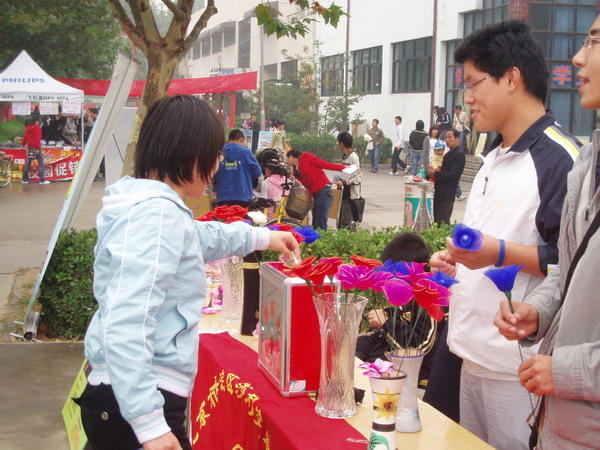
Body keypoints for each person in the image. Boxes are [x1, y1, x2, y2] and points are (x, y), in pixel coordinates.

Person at [76, 95, 299, 450]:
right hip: (139, 399)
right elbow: (126, 321)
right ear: (191, 153)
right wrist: (150, 425)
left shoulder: (151, 208)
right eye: (215, 154)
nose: (217, 164)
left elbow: (199, 237)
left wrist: (263, 237)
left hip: (129, 395)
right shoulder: (155, 214)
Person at [429, 21, 581, 450]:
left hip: (518, 369)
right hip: (468, 353)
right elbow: (491, 241)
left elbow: (574, 266)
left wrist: (497, 253)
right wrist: (456, 259)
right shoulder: (493, 158)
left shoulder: (561, 160)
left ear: (512, 78)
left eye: (473, 83)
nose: (467, 98)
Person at [493, 16, 600, 449]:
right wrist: (540, 309)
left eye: (594, 41)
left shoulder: (558, 157)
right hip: (561, 423)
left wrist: (568, 370)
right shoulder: (589, 161)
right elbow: (570, 269)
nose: (577, 58)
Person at [356, 232, 436, 383]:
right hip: (390, 342)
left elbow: (422, 346)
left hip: (411, 359)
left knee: (374, 365)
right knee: (353, 347)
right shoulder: (406, 290)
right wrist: (386, 315)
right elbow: (402, 317)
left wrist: (387, 323)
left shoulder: (429, 297)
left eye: (394, 272)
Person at [286, 149, 346, 231]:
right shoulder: (295, 171)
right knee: (315, 222)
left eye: (287, 158)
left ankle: (322, 238)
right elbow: (307, 186)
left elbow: (324, 164)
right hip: (315, 194)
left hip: (324, 191)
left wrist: (343, 168)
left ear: (291, 156)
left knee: (320, 221)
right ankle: (316, 238)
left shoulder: (306, 157)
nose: (286, 161)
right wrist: (310, 199)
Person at [214, 129, 262, 207]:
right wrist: (247, 178)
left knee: (225, 215)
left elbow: (213, 173)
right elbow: (257, 172)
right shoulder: (246, 153)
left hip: (223, 196)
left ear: (229, 139)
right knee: (240, 215)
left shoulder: (219, 153)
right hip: (243, 196)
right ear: (241, 140)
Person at [428, 129, 464, 225]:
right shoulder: (447, 154)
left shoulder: (459, 154)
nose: (447, 140)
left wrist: (435, 174)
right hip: (438, 193)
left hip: (447, 195)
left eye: (449, 137)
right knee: (436, 222)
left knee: (443, 223)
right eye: (446, 138)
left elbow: (452, 174)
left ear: (457, 138)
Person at [335, 131, 363, 226]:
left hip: (351, 196)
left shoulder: (353, 158)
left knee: (348, 222)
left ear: (341, 144)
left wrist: (345, 182)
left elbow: (358, 177)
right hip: (344, 193)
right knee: (342, 220)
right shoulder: (345, 156)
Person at [21, 118, 50, 185]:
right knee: (41, 164)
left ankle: (24, 179)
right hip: (36, 148)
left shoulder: (27, 129)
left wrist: (22, 144)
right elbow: (37, 139)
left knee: (28, 164)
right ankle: (42, 180)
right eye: (38, 121)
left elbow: (25, 138)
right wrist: (38, 148)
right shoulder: (38, 128)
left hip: (30, 148)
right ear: (36, 121)